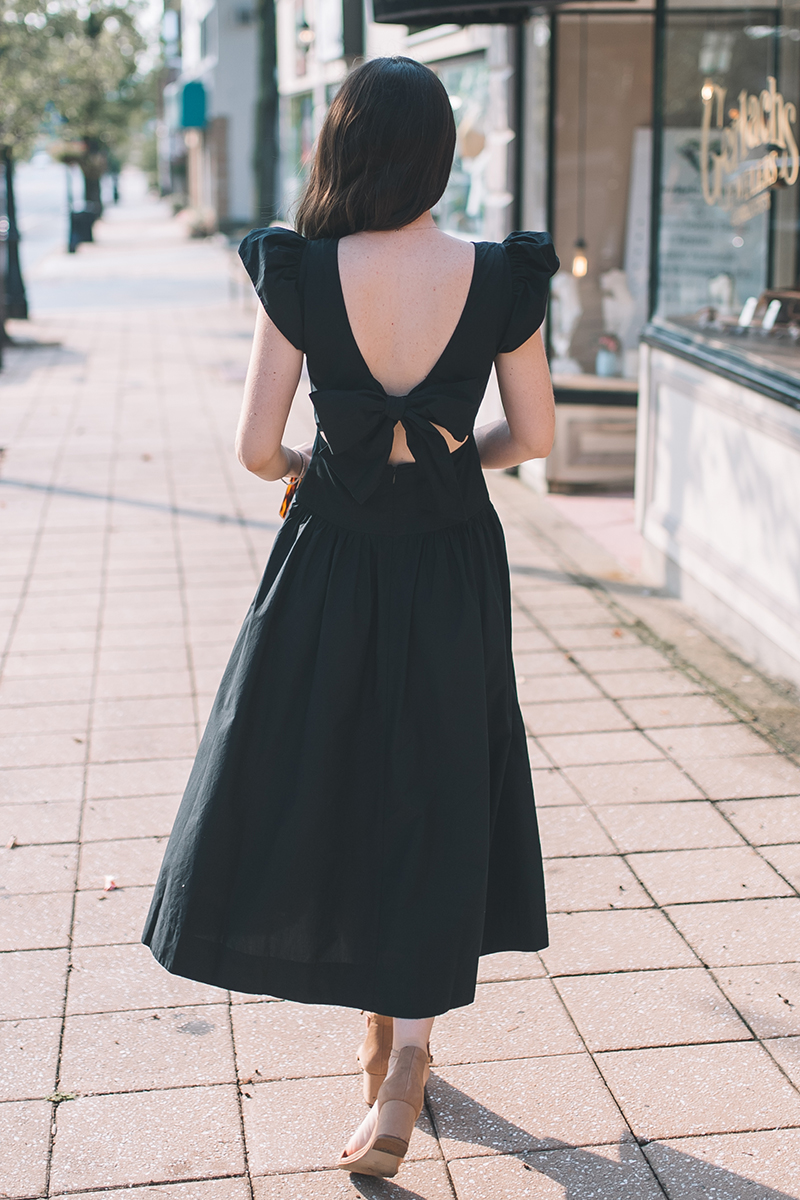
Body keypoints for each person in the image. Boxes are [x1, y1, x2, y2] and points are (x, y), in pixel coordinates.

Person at [142, 55, 558, 1180]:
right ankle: (405, 1055)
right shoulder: (498, 274)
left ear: (341, 149)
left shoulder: (303, 271)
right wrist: (449, 461)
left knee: (322, 765)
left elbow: (254, 446)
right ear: (437, 154)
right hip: (450, 557)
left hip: (330, 551)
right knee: (432, 777)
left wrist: (305, 470)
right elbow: (533, 439)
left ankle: (374, 1038)